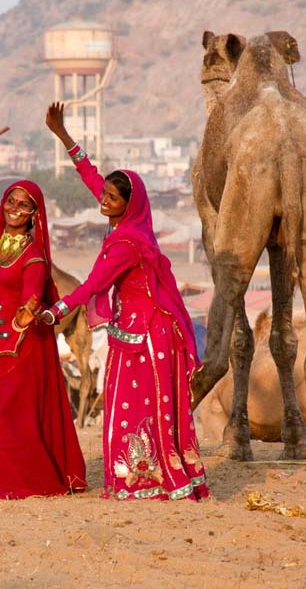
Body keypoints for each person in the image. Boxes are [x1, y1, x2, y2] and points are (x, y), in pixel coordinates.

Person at [43, 102, 209, 501]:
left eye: (112, 198)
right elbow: (92, 179)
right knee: (138, 407)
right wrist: (64, 136)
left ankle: (149, 480)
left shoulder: (125, 243)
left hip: (146, 336)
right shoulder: (133, 224)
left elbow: (92, 285)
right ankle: (154, 476)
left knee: (135, 408)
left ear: (127, 204)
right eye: (105, 195)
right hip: (137, 330)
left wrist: (57, 311)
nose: (104, 201)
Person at [0, 127, 86, 499]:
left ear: (34, 214)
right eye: (11, 201)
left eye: (24, 205)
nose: (15, 209)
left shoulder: (32, 254)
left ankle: (21, 479)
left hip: (18, 344)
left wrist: (29, 309)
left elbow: (32, 292)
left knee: (14, 416)